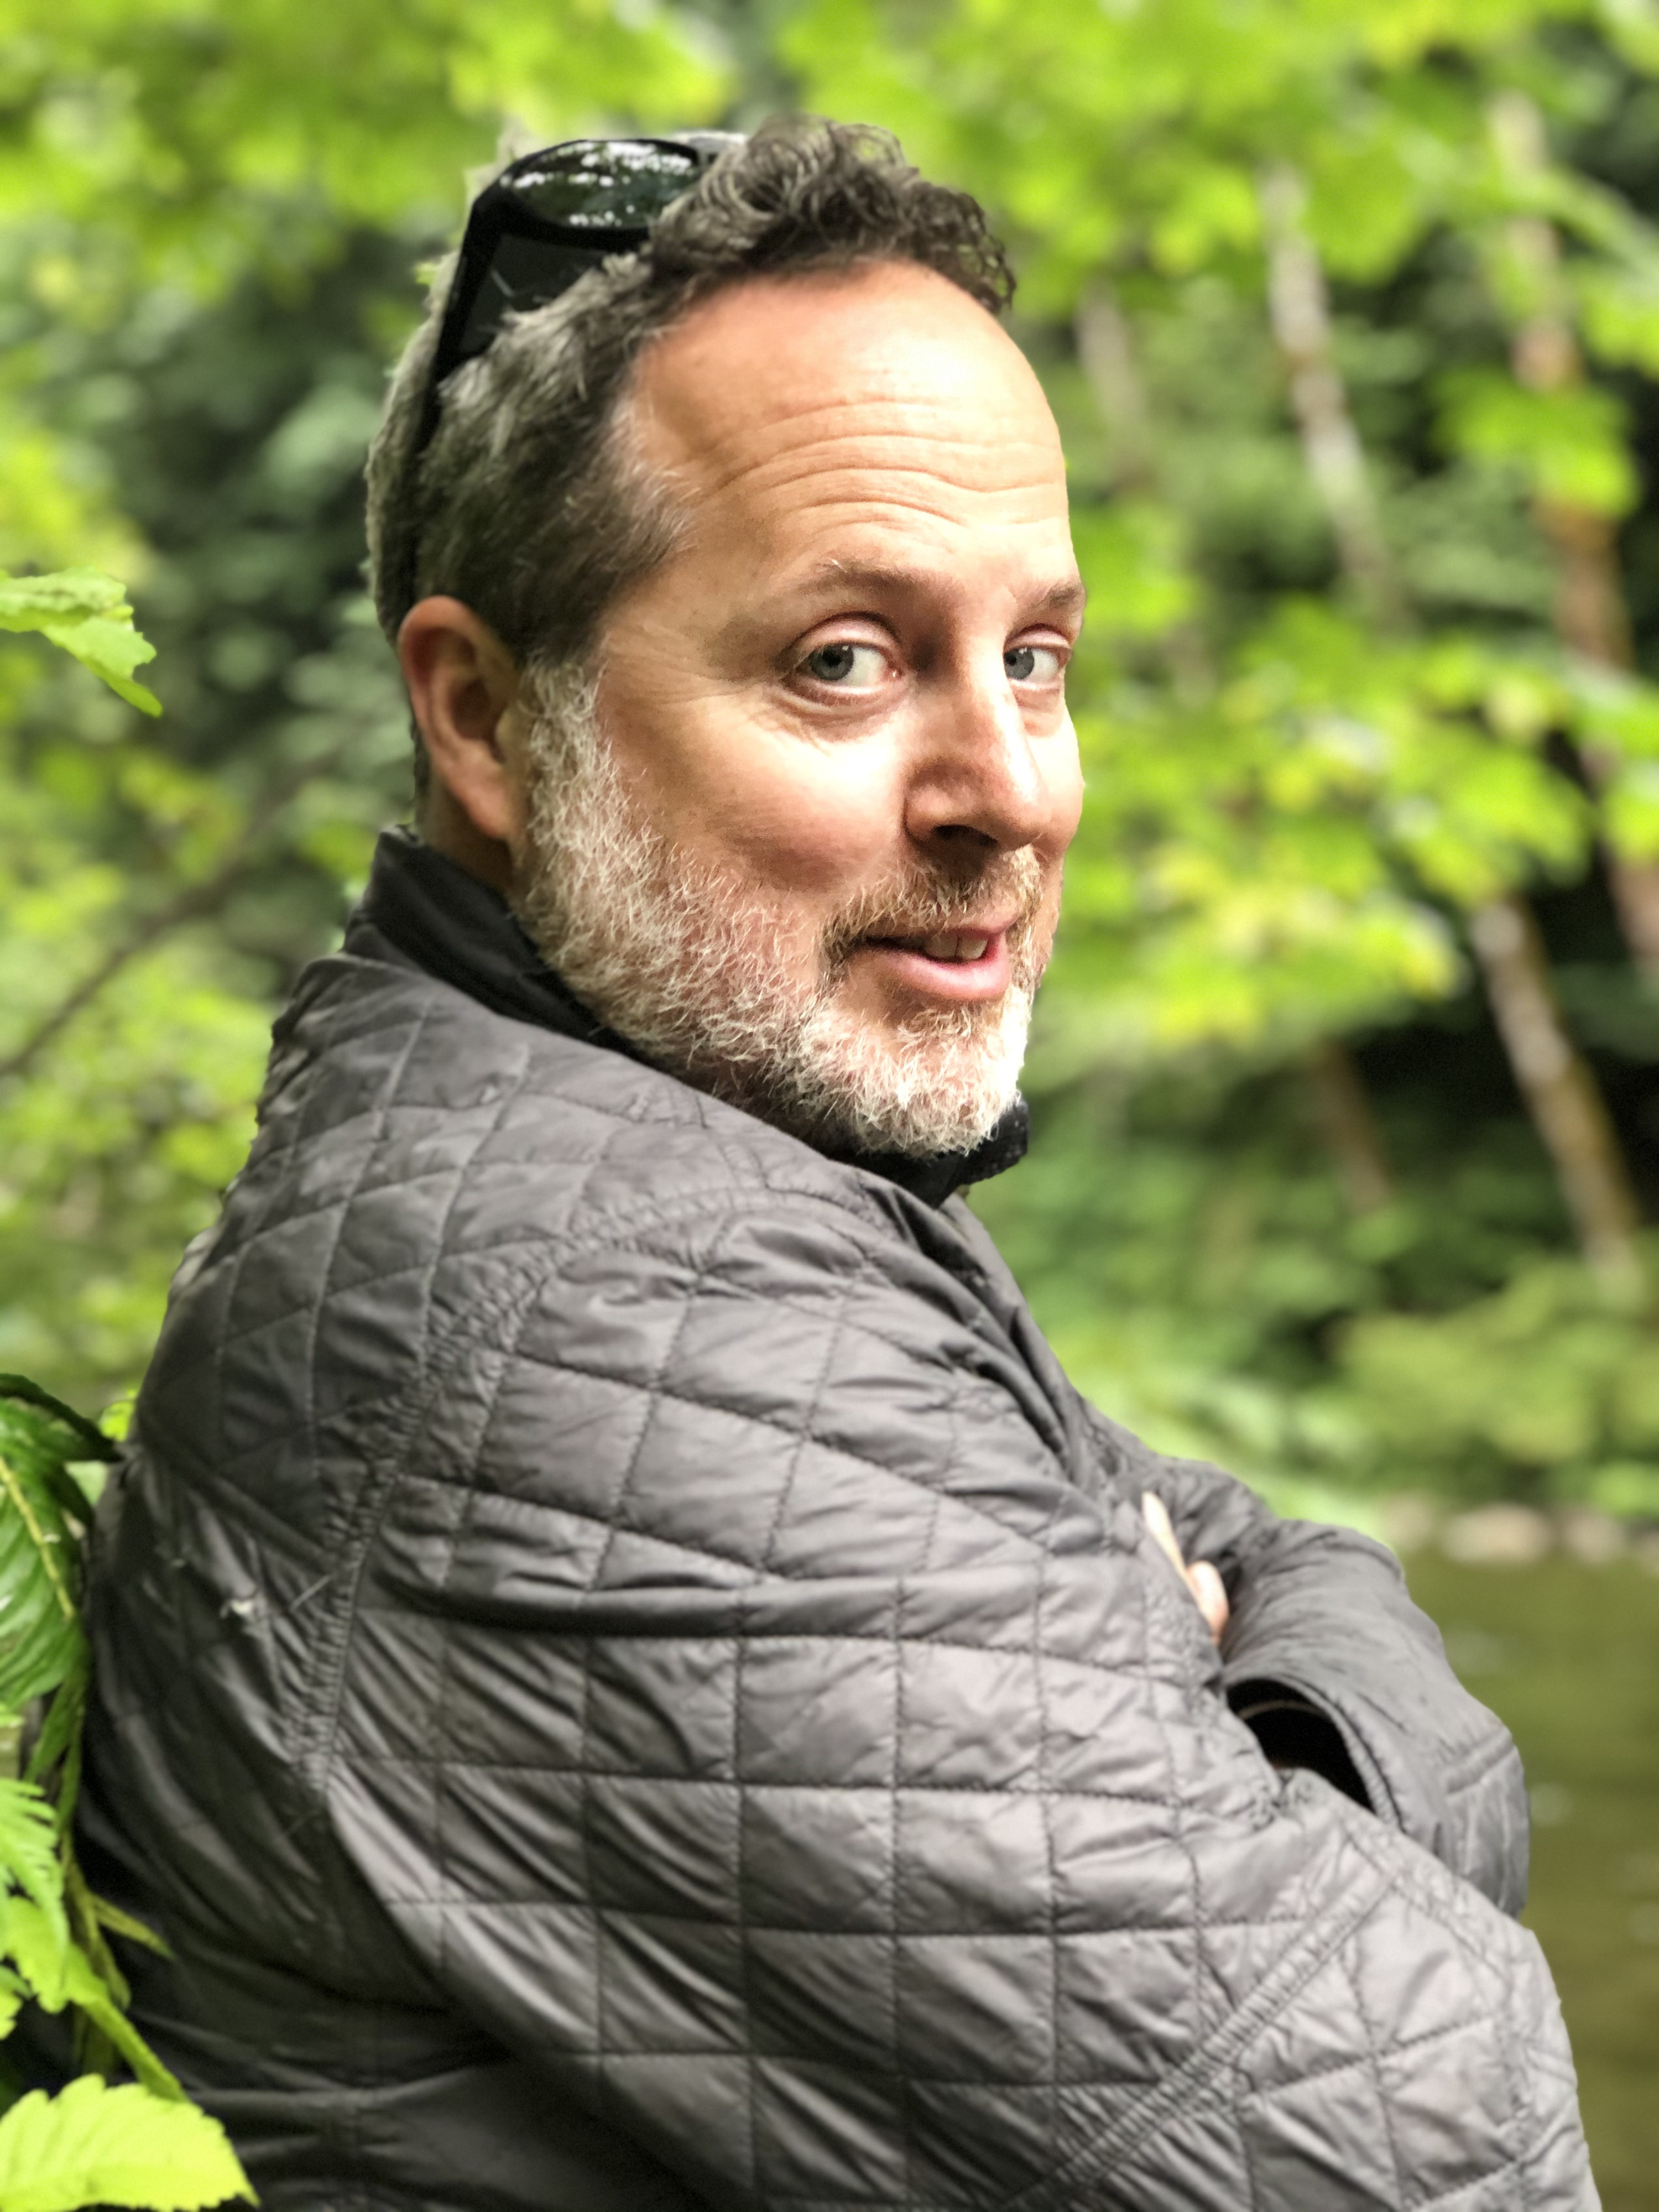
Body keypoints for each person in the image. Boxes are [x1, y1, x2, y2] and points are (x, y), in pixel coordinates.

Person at [77, 121, 1596, 2210]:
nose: (1008, 792)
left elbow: (1287, 1549)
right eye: (847, 661)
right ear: (485, 721)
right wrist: (1197, 1674)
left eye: (1035, 657)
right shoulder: (590, 1304)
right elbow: (1446, 2148)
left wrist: (1232, 1707)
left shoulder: (647, 1175)